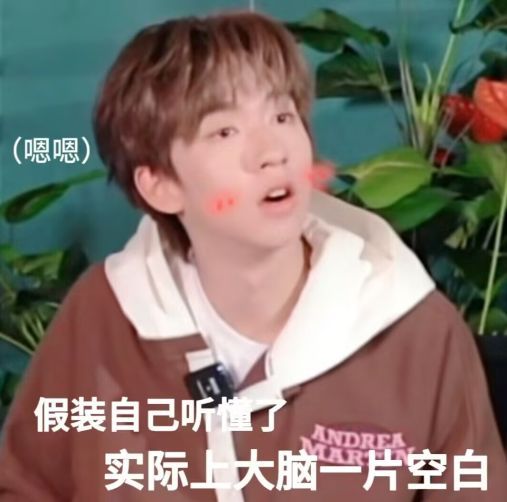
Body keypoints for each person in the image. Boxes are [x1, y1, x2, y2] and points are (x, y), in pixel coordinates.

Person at [0, 9, 506, 502]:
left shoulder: (416, 331)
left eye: (282, 116)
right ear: (160, 185)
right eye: (224, 131)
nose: (272, 151)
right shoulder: (104, 315)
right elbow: (25, 485)